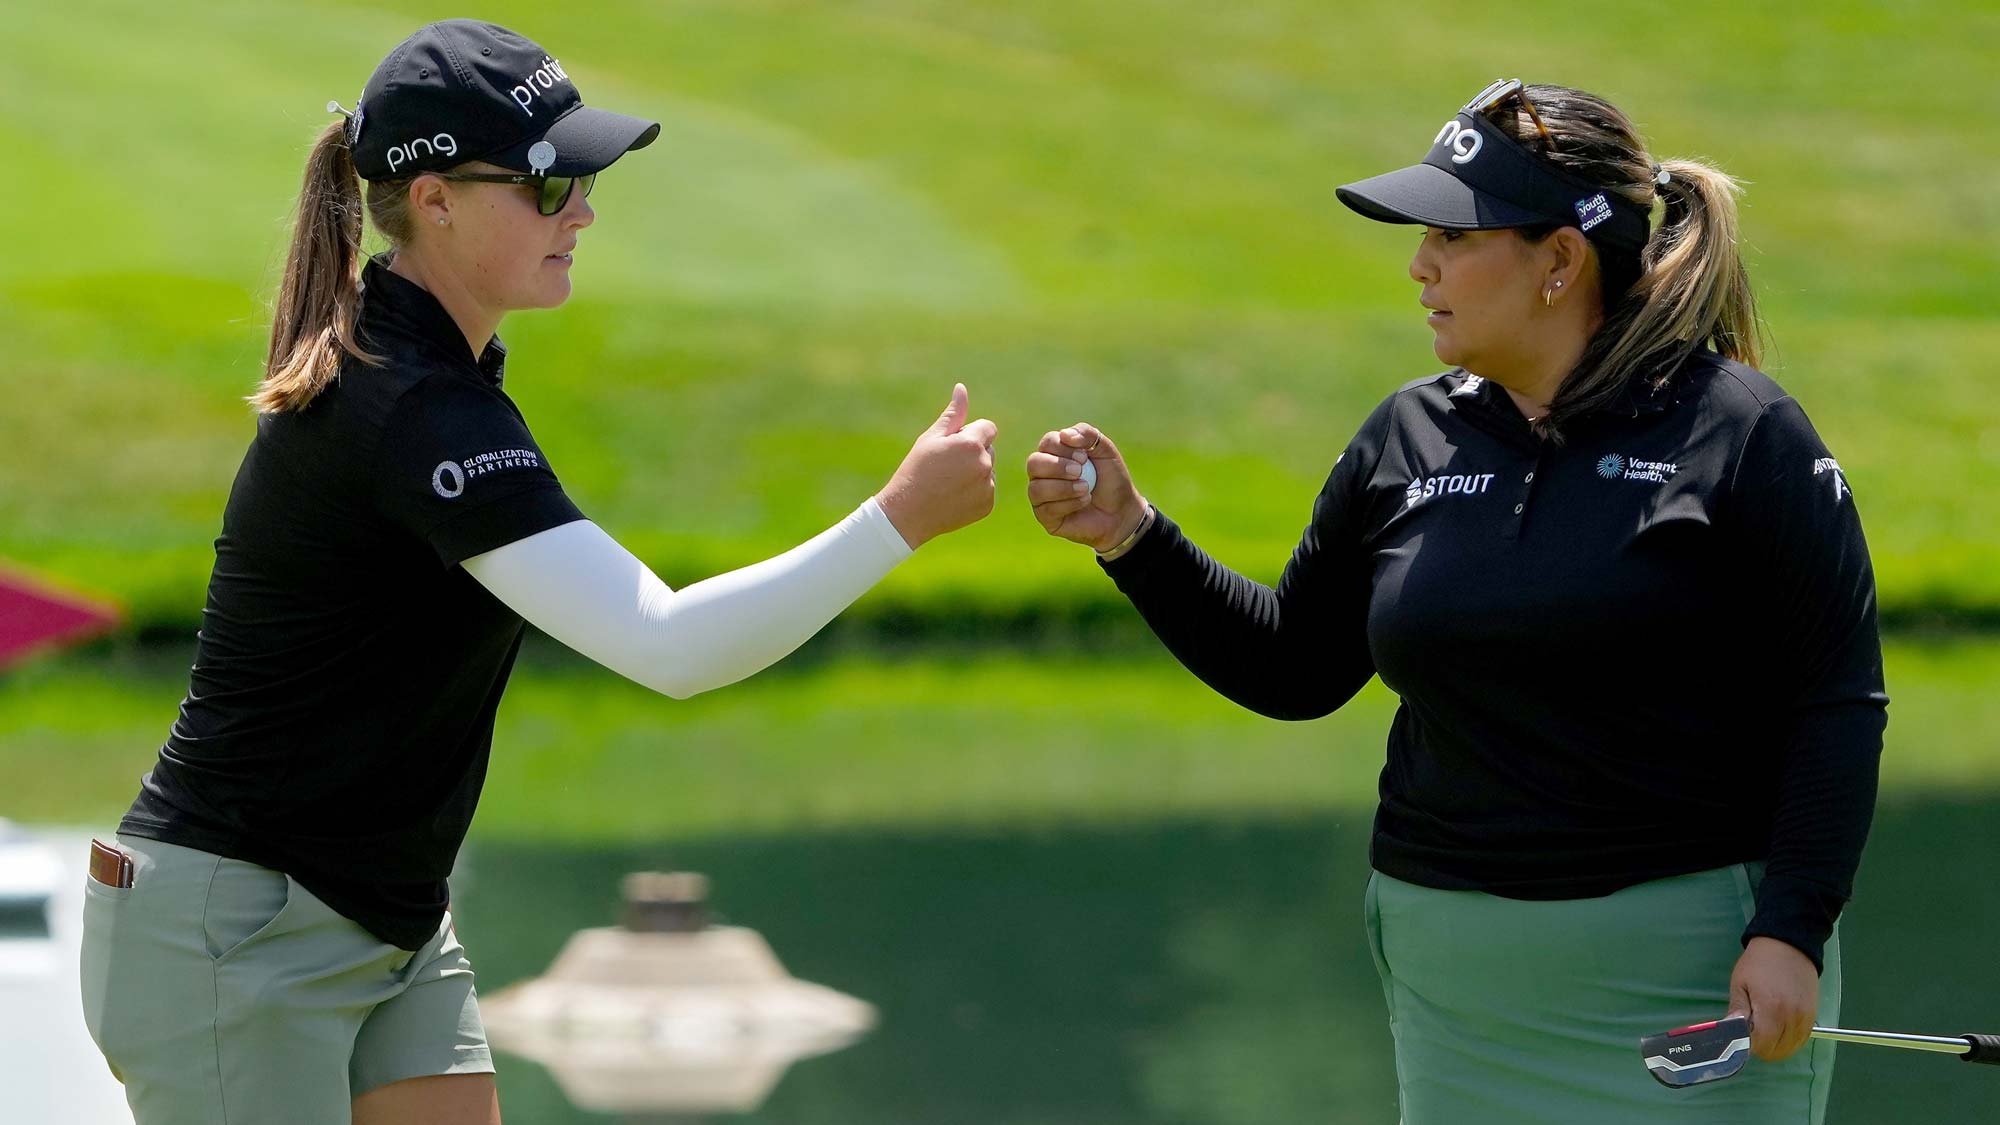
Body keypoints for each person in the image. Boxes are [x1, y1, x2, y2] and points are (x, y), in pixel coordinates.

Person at [77, 19, 996, 1125]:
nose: (584, 212)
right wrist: (896, 522)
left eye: (586, 182)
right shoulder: (416, 408)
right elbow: (670, 646)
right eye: (548, 186)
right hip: (236, 930)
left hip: (389, 923)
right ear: (436, 199)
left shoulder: (437, 373)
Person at [1025, 79, 1886, 1124]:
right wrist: (1131, 538)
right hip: (1455, 986)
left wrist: (1790, 928)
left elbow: (1833, 701)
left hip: (1690, 977)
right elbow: (1296, 668)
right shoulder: (1408, 435)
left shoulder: (1739, 434)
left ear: (1558, 262)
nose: (1417, 266)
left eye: (1451, 235)